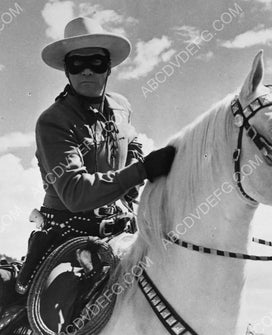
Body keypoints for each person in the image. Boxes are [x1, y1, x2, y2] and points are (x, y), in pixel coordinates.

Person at [15, 17, 175, 295]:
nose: (87, 71)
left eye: (96, 63)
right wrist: (142, 170)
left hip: (121, 229)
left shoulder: (122, 108)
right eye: (77, 64)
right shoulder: (53, 121)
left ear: (108, 68)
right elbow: (76, 193)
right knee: (61, 311)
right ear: (67, 70)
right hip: (68, 235)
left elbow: (132, 154)